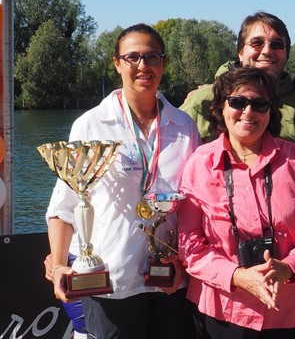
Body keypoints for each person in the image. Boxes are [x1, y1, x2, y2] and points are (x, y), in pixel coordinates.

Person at [45, 23, 201, 339]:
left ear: (164, 63)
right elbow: (65, 206)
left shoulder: (184, 125)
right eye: (132, 58)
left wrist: (184, 263)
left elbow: (194, 205)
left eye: (152, 57)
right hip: (110, 282)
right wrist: (60, 265)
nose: (143, 66)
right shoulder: (91, 125)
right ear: (117, 64)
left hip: (169, 279)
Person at [178, 66, 295, 338]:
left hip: (291, 307)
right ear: (221, 108)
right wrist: (237, 276)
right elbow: (190, 243)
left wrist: (290, 267)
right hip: (223, 309)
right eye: (238, 102)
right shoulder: (199, 164)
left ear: (270, 111)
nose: (248, 112)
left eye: (259, 104)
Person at [179, 11, 295, 143]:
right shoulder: (203, 99)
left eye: (277, 44)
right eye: (257, 43)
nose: (267, 51)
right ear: (240, 52)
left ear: (287, 54)